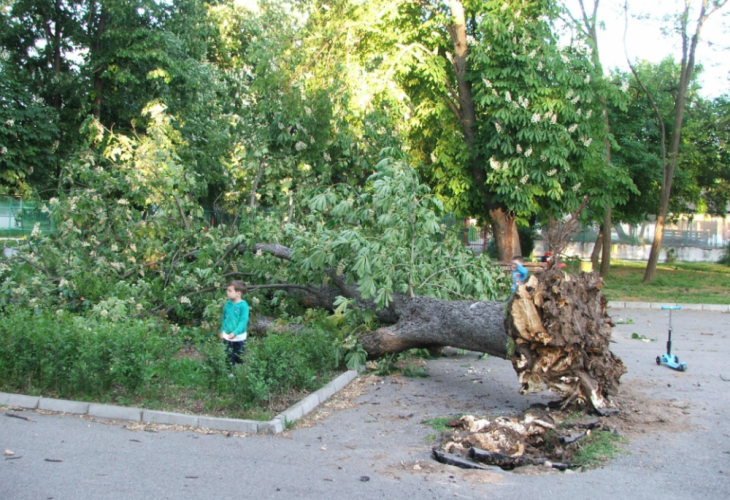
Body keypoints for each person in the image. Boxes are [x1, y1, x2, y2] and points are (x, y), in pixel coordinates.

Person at [219, 280, 249, 366]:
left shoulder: (243, 305)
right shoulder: (227, 305)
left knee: (239, 356)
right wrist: (222, 331)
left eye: (230, 290)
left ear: (238, 294)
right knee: (228, 355)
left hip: (239, 336)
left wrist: (235, 332)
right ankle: (230, 373)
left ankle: (240, 371)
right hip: (227, 335)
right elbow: (225, 319)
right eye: (227, 290)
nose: (227, 292)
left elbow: (243, 321)